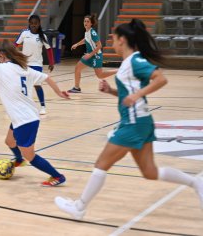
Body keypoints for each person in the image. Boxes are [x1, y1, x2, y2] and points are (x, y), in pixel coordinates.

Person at [54, 19, 203, 219]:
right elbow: (128, 94)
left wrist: (137, 95)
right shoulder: (127, 63)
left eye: (114, 39)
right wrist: (111, 91)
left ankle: (79, 207)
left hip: (133, 124)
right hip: (141, 122)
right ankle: (196, 183)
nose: (112, 44)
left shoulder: (135, 60)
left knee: (101, 164)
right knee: (149, 171)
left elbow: (161, 79)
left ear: (122, 40)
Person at [0, 39, 69, 186]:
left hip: (25, 120)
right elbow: (47, 78)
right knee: (9, 141)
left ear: (2, 55)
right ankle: (19, 160)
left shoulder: (1, 69)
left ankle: (57, 176)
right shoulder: (25, 69)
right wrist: (59, 93)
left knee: (30, 155)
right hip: (26, 117)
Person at [14, 14, 55, 115]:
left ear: (39, 24)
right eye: (31, 23)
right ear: (29, 23)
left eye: (35, 24)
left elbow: (49, 49)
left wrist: (51, 62)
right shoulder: (24, 33)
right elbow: (15, 45)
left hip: (37, 64)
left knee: (37, 85)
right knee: (22, 85)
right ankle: (21, 106)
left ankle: (43, 106)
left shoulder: (42, 36)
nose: (33, 25)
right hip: (24, 64)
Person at [68, 14, 117, 93]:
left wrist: (90, 55)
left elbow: (99, 45)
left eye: (88, 21)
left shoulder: (93, 33)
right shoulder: (87, 32)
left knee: (100, 75)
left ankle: (117, 71)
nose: (86, 23)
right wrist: (77, 44)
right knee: (77, 68)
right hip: (89, 55)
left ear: (91, 23)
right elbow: (85, 39)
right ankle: (76, 88)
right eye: (85, 21)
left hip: (96, 55)